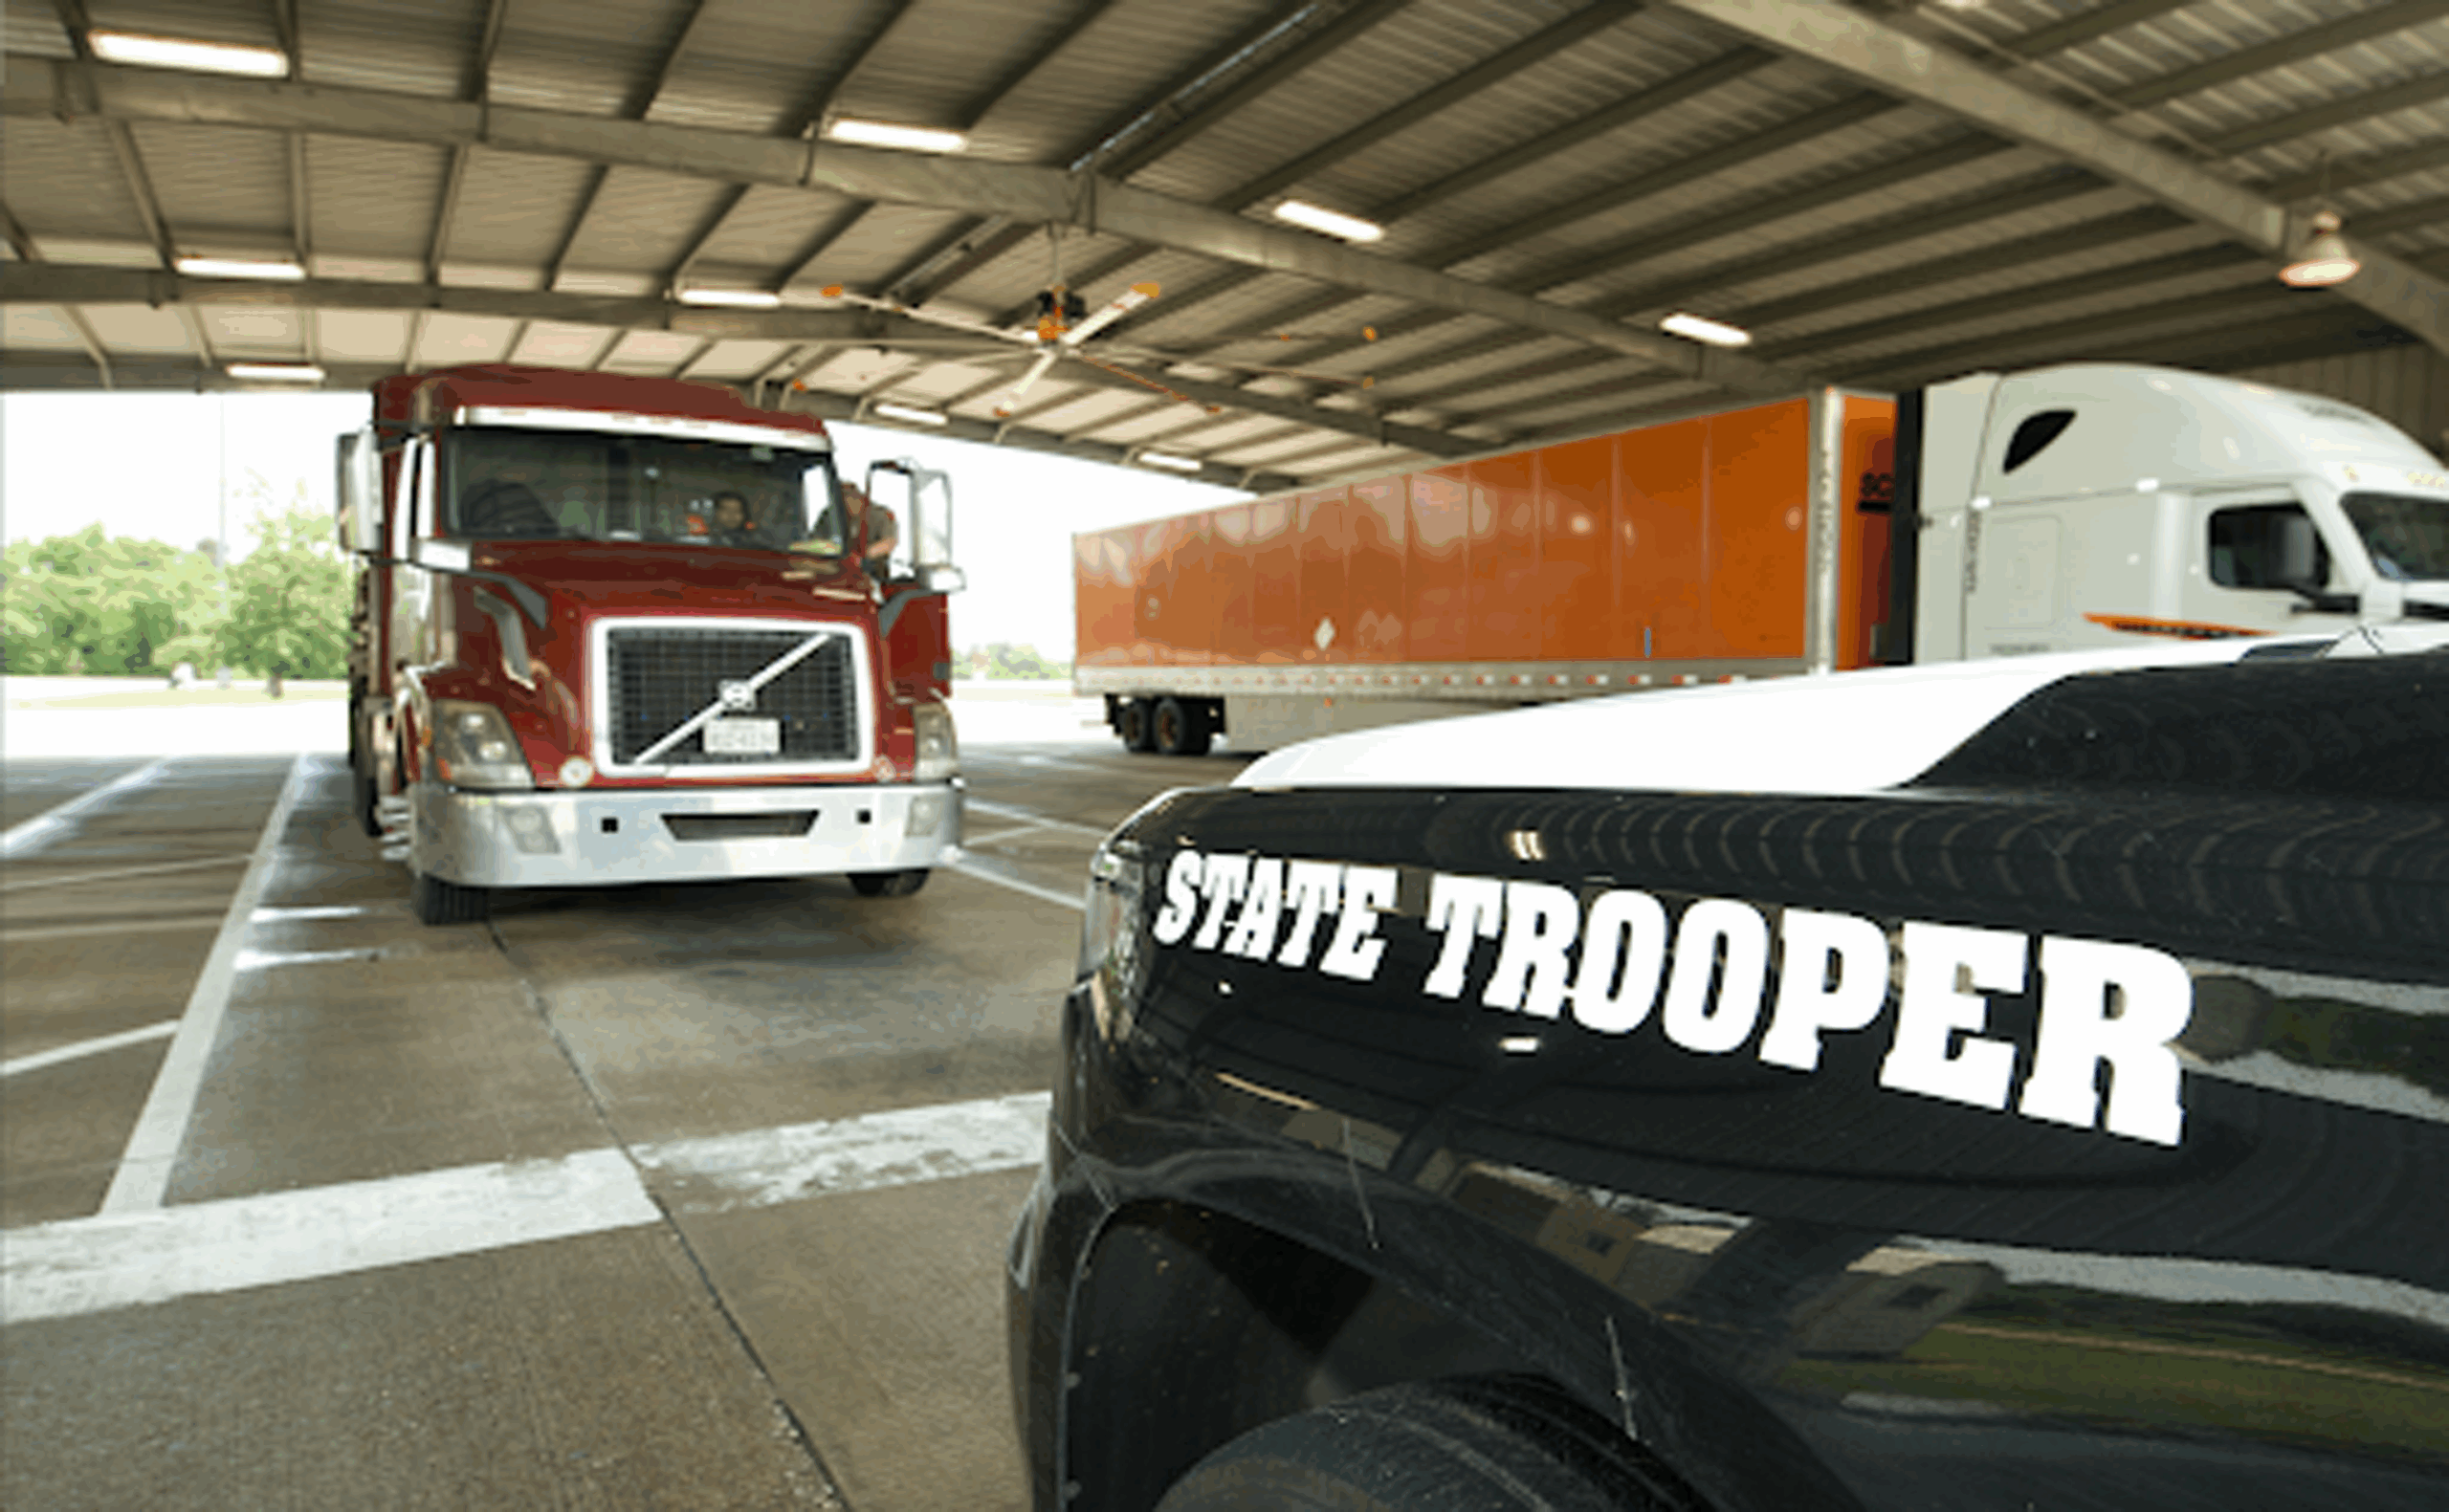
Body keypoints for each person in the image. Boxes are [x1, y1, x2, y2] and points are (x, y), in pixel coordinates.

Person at [842, 483, 899, 578]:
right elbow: (817, 541)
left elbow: (888, 543)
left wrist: (863, 555)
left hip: (870, 572)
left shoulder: (879, 514)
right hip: (834, 569)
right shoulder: (831, 514)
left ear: (859, 499)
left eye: (850, 500)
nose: (846, 507)